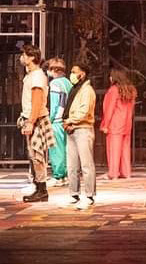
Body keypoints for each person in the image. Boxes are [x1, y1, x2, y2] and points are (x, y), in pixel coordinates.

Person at [18, 44, 54, 203]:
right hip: (31, 117)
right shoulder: (31, 75)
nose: (22, 58)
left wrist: (31, 122)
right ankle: (38, 187)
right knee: (33, 155)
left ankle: (42, 189)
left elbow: (37, 101)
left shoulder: (37, 76)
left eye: (24, 55)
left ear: (32, 57)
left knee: (37, 155)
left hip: (36, 118)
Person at [63, 63, 97, 210]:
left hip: (83, 129)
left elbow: (84, 112)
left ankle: (89, 195)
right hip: (71, 129)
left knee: (86, 164)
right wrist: (67, 122)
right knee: (72, 164)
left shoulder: (87, 90)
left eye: (74, 72)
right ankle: (73, 193)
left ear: (82, 74)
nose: (71, 74)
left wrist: (70, 120)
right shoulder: (74, 89)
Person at [101, 68, 137, 180]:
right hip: (126, 124)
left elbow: (109, 109)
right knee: (125, 149)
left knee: (114, 150)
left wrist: (105, 125)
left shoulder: (113, 90)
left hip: (115, 124)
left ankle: (113, 173)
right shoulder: (131, 90)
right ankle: (126, 172)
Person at [45, 58, 73, 187]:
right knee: (66, 149)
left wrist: (49, 120)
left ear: (53, 70)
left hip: (56, 121)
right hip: (67, 121)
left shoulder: (55, 84)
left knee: (56, 150)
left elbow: (55, 104)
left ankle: (58, 175)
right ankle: (66, 175)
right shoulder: (68, 83)